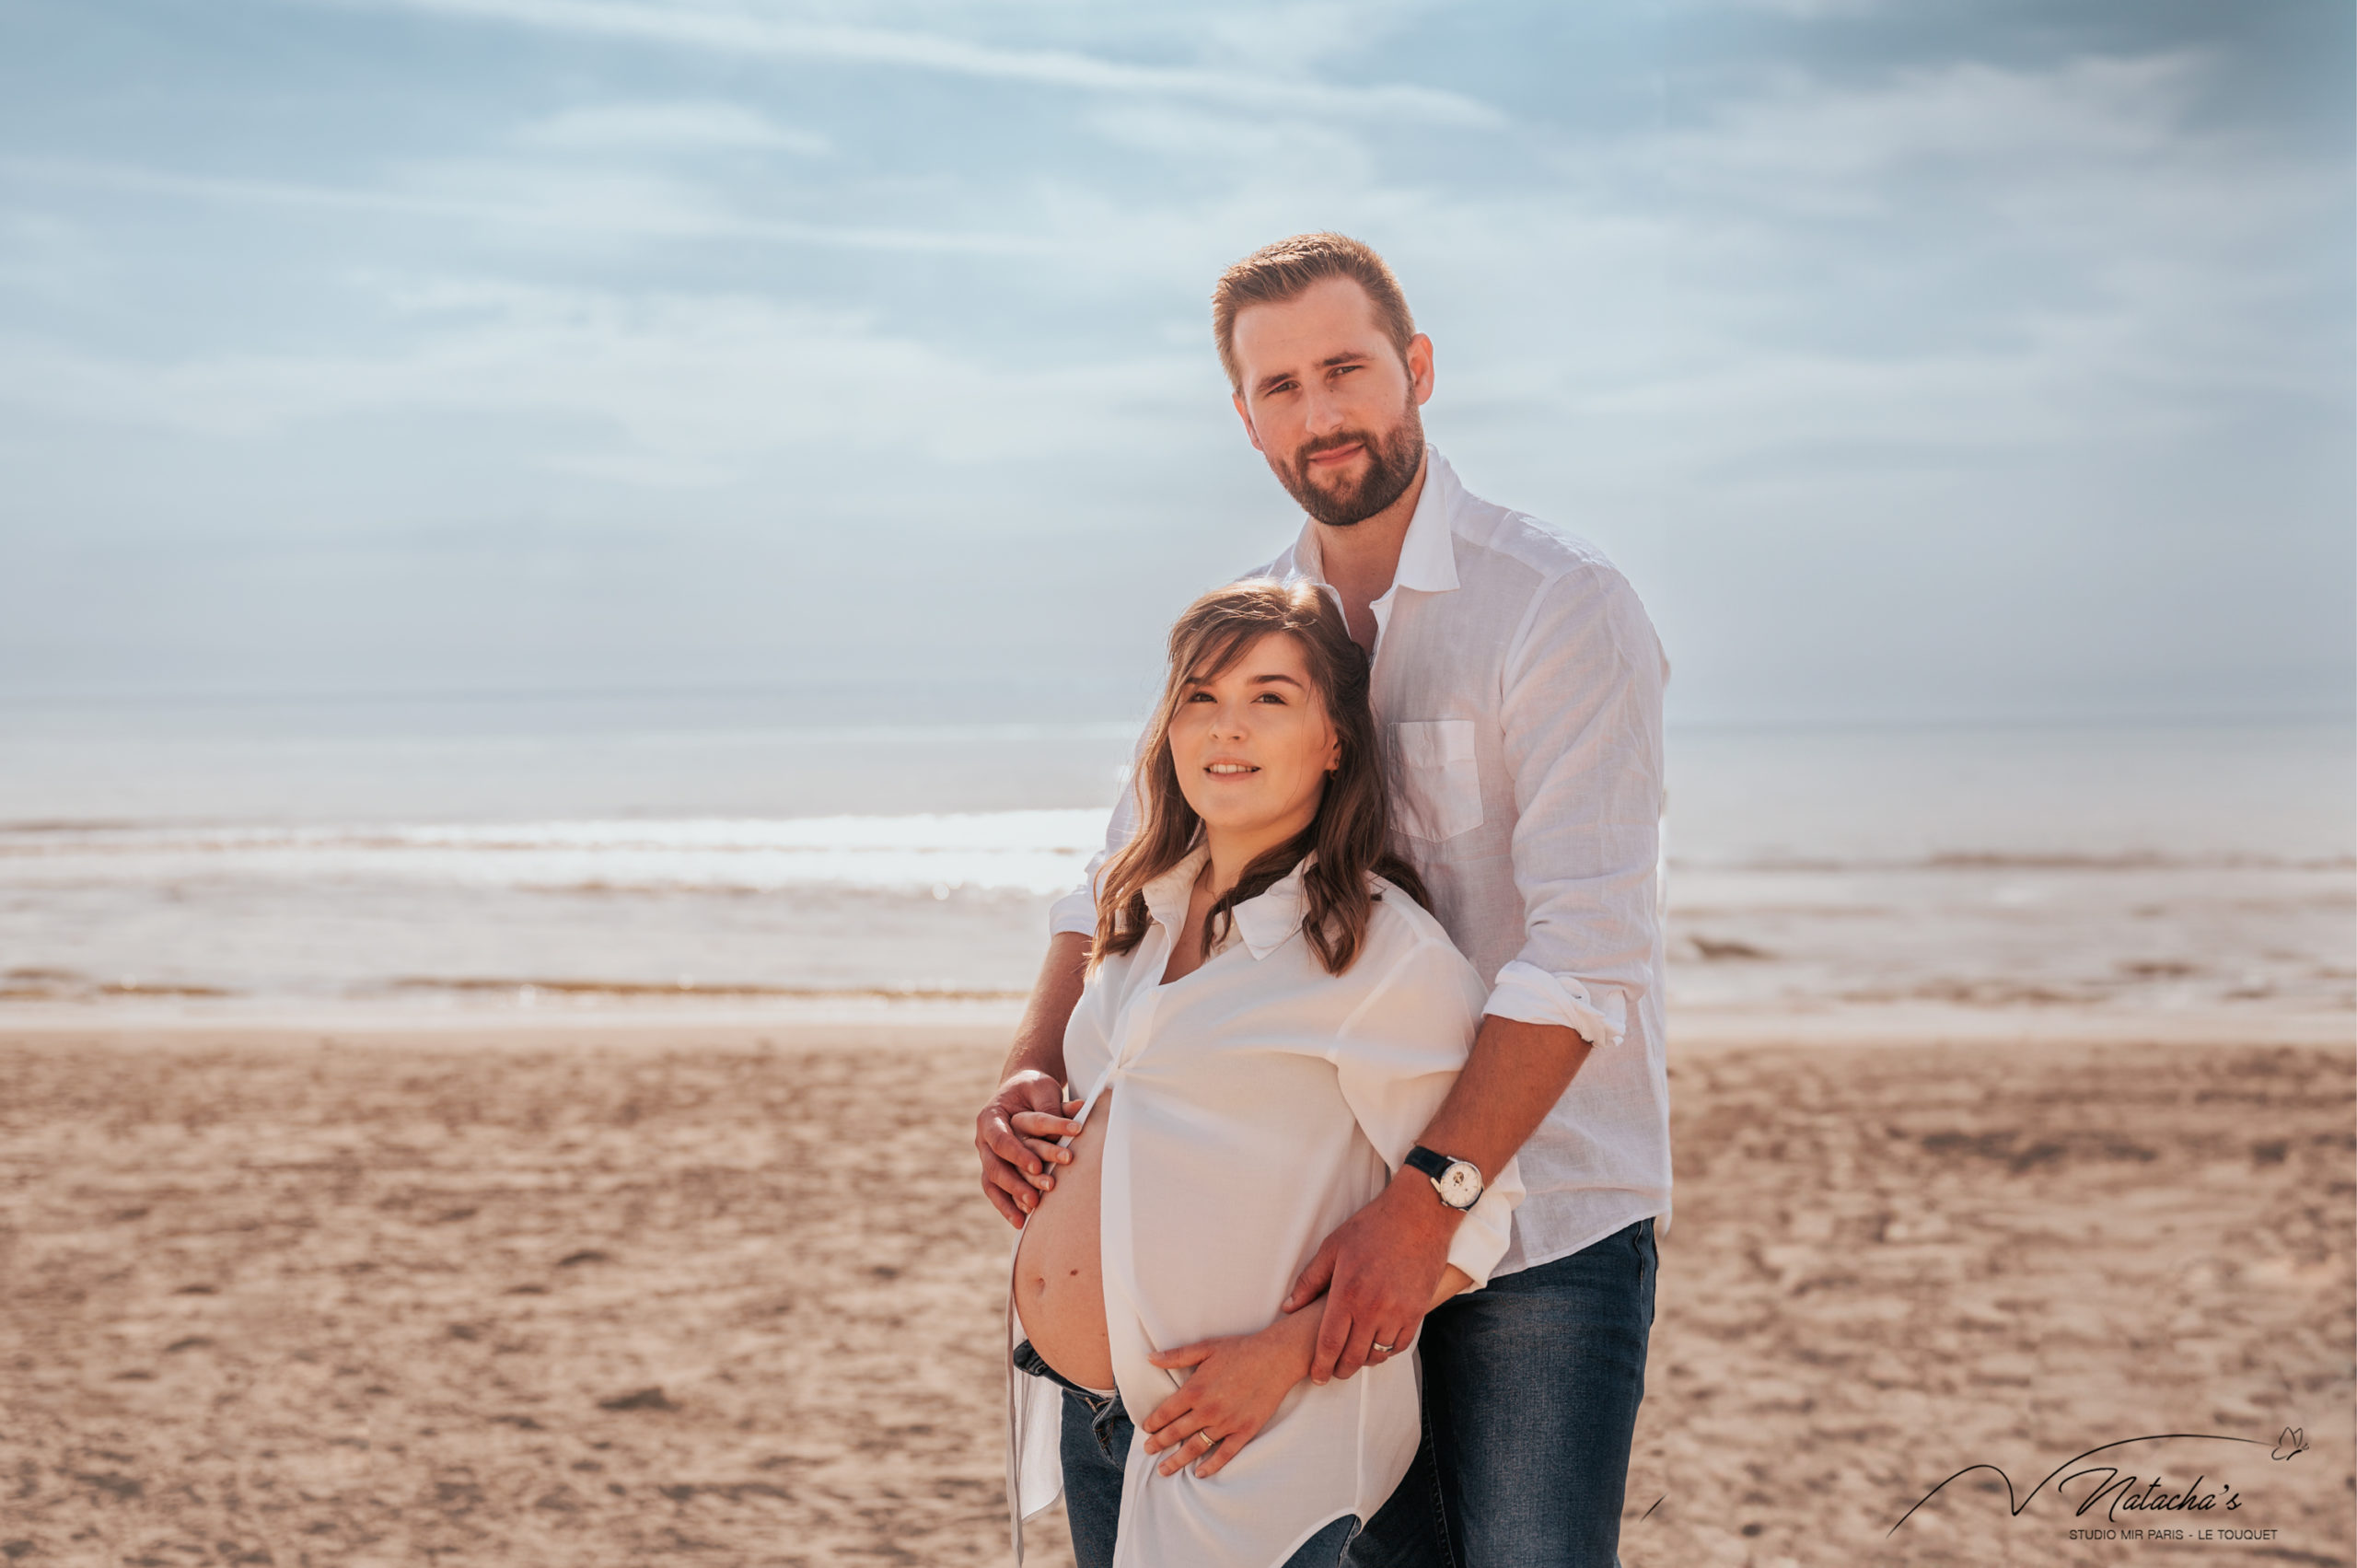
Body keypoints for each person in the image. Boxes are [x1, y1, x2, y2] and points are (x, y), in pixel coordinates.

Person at [979, 232, 1670, 1568]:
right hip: (1294, 1223)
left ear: (1415, 369)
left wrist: (1420, 1212)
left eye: (1347, 369)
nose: (1322, 412)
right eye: (1281, 387)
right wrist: (1027, 1064)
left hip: (1534, 1220)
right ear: (1246, 419)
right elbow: (1129, 864)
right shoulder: (1255, 625)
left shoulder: (1557, 603)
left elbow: (1585, 953)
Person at [1003, 577, 1524, 1568]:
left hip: (1254, 1428)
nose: (1224, 724)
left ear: (1335, 742)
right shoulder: (1133, 919)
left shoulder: (1379, 953)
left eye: (1269, 696)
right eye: (1199, 695)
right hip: (1101, 1420)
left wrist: (1280, 1359)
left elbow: (1475, 1219)